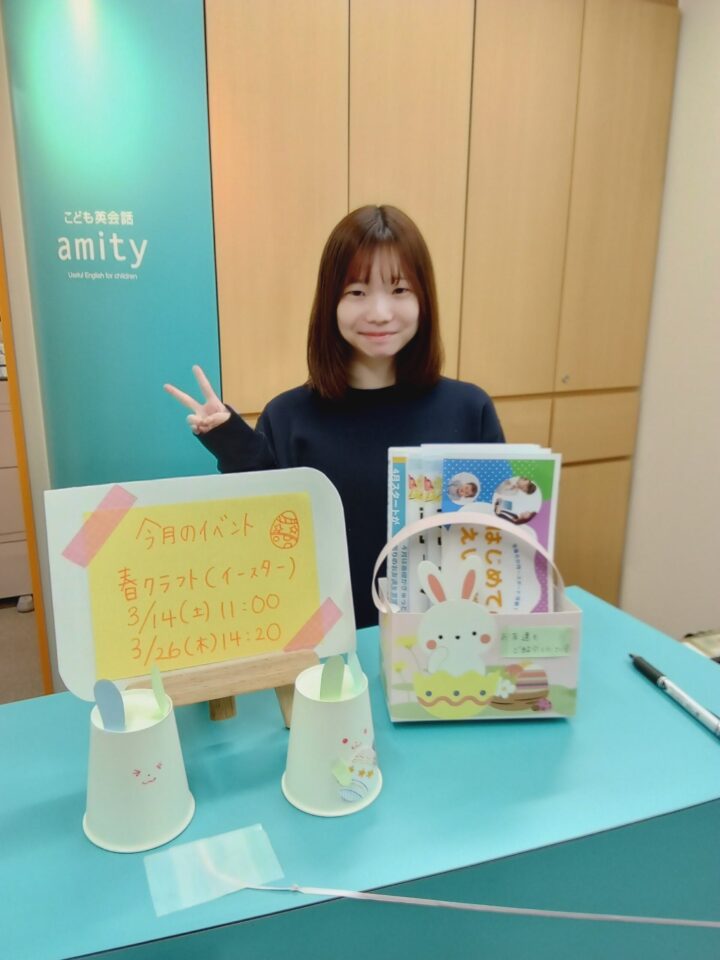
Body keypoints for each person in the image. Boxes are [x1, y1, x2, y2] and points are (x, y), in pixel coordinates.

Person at [165, 205, 505, 628]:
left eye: (399, 289)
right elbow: (265, 536)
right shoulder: (288, 416)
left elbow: (500, 540)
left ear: (424, 300)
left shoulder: (469, 409)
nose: (379, 312)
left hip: (443, 643)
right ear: (331, 303)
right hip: (324, 644)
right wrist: (230, 440)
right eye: (357, 292)